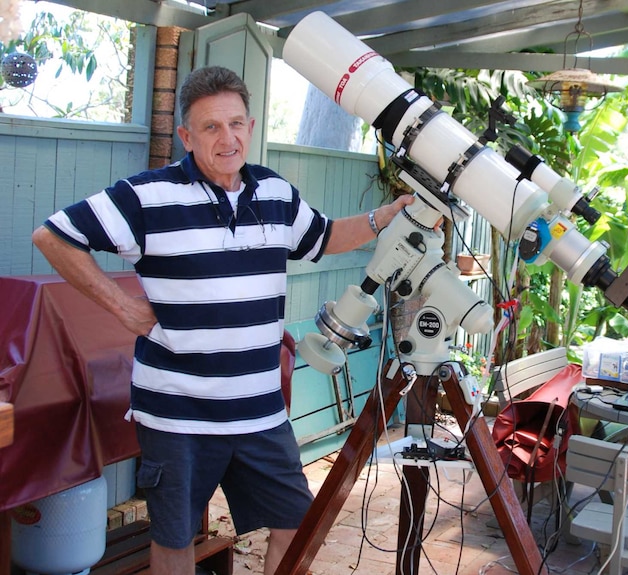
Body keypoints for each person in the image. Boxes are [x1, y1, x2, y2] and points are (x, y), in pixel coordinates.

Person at [32, 65, 412, 575]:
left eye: (236, 124)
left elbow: (322, 237)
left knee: (297, 526)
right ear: (187, 136)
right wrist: (122, 306)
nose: (227, 138)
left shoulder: (275, 194)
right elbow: (53, 237)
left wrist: (379, 219)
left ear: (251, 127)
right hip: (177, 414)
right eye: (211, 127)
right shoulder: (147, 196)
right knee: (174, 540)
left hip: (260, 411)